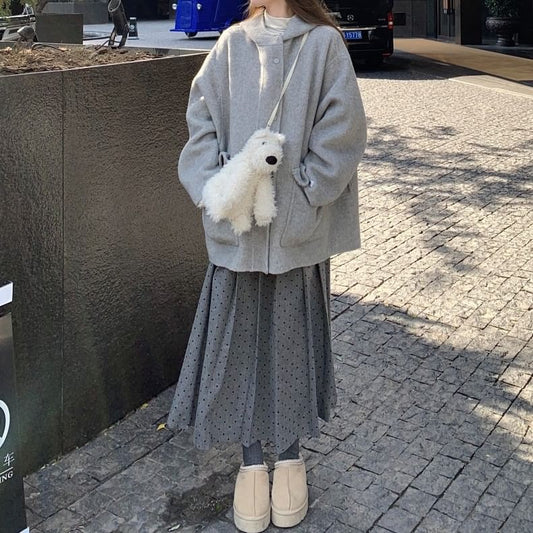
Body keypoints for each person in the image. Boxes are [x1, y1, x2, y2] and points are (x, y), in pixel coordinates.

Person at [167, 1, 366, 531]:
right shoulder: (232, 43)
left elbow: (345, 128)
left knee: (293, 344)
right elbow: (200, 120)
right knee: (238, 346)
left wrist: (306, 194)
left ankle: (291, 456)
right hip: (240, 234)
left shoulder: (324, 44)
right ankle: (252, 461)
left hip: (298, 237)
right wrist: (215, 189)